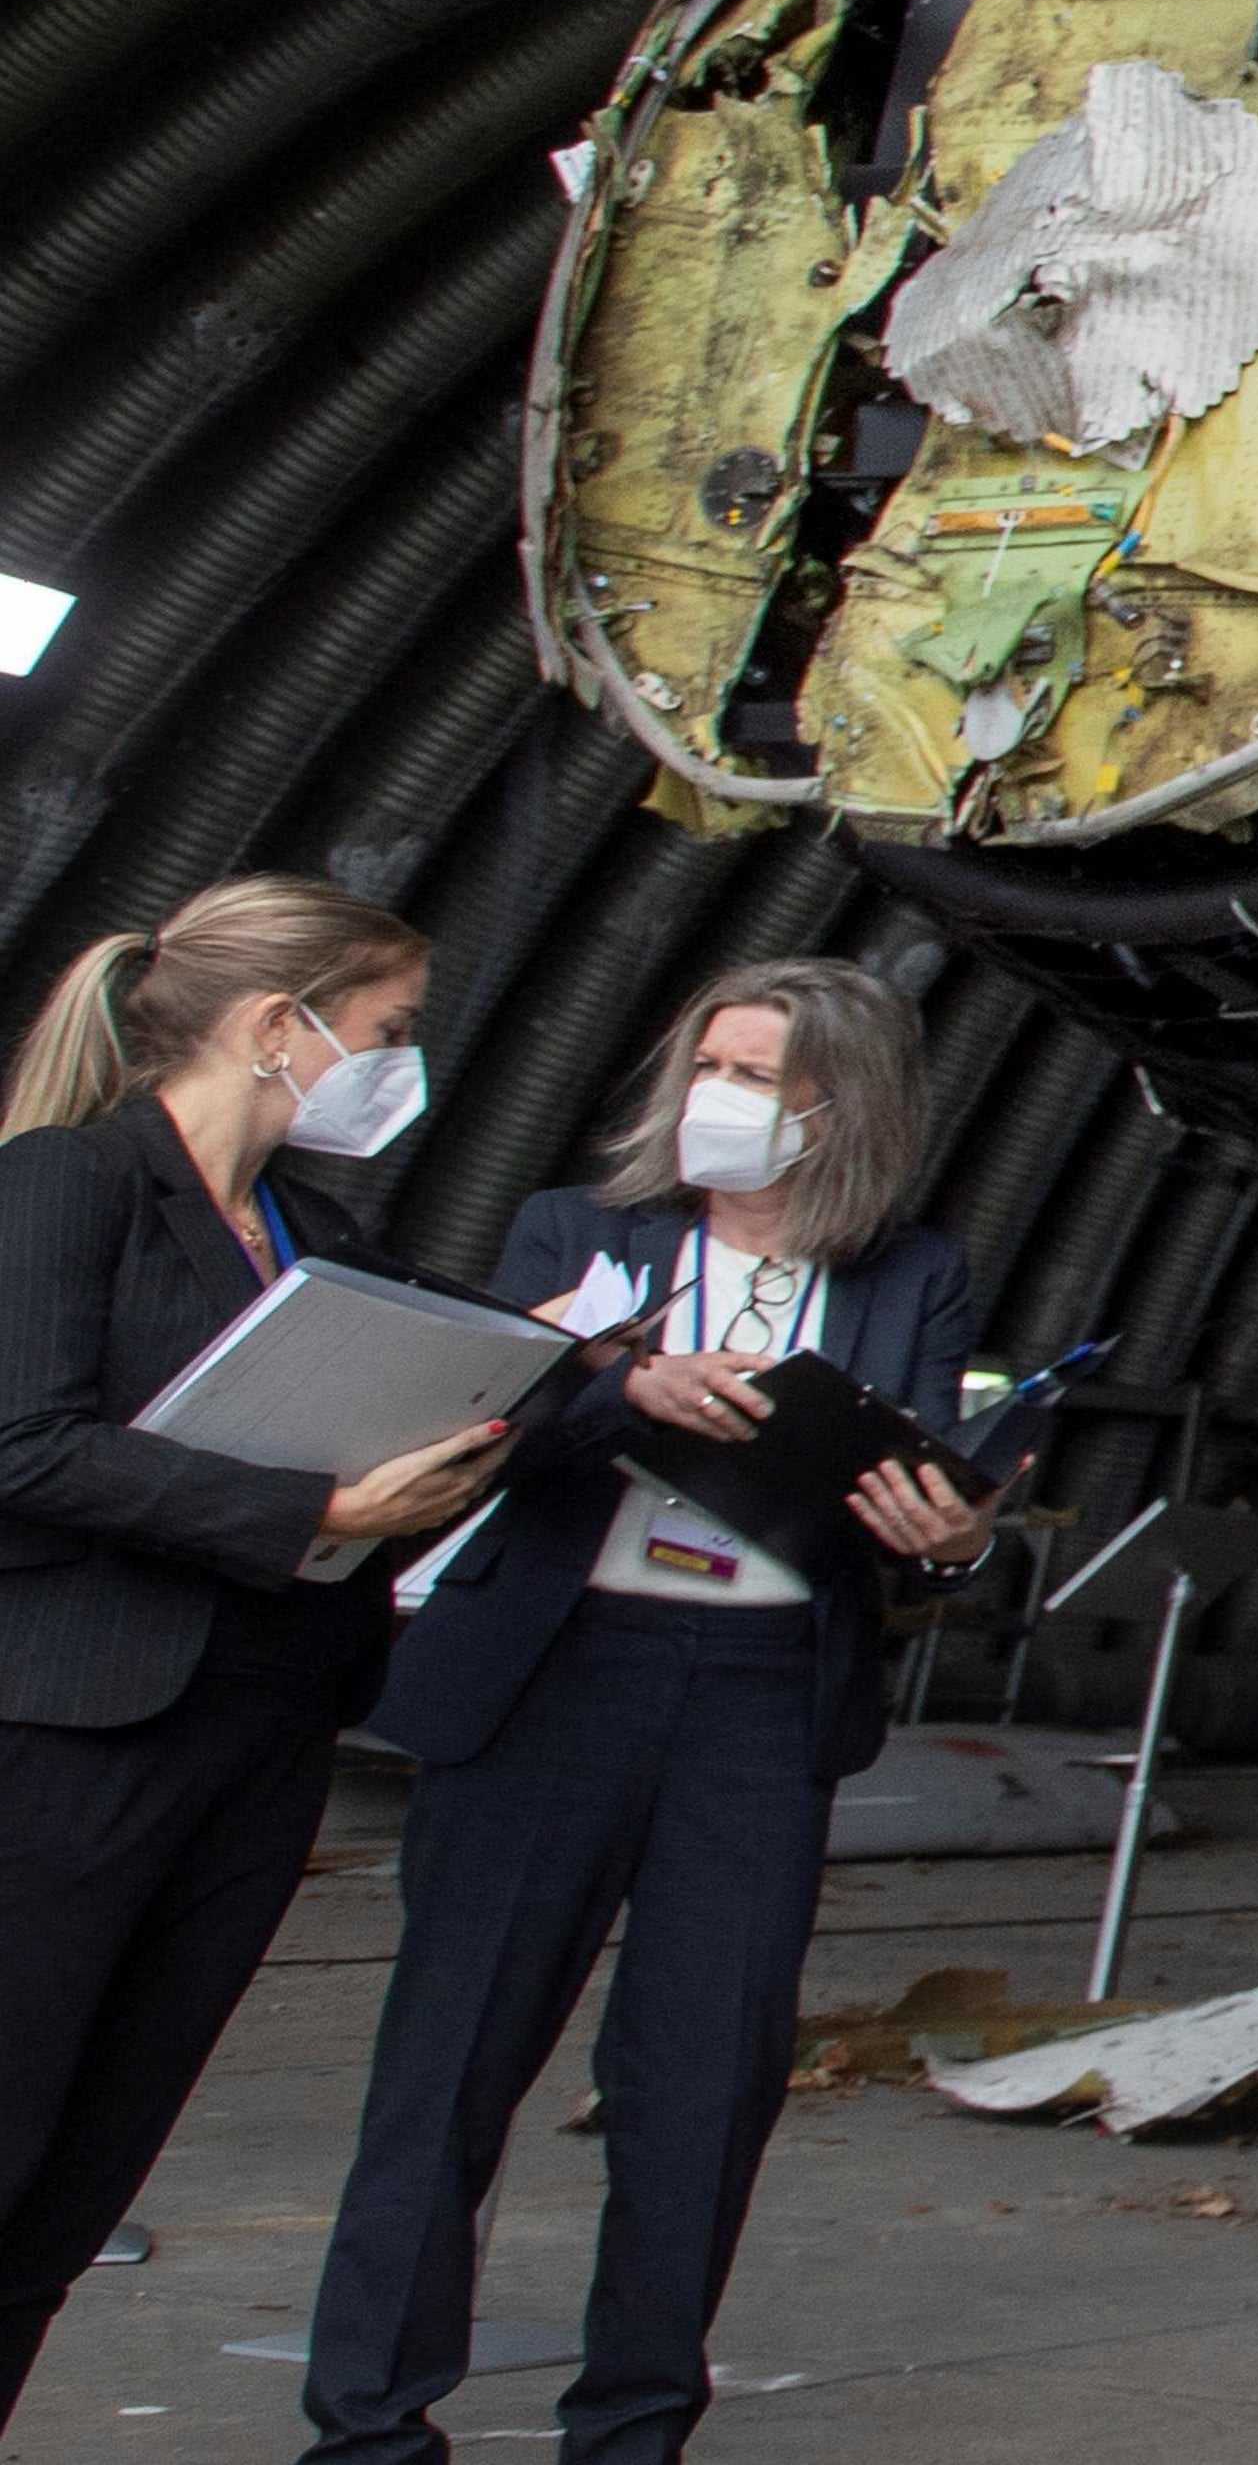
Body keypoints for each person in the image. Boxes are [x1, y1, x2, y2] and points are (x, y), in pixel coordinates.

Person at [301, 956, 1005, 2465]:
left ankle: (632, 2426)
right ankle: (367, 2424)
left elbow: (929, 1463)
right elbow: (486, 1431)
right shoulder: (581, 1231)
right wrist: (625, 1395)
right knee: (452, 2057)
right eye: (710, 1069)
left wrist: (957, 1534)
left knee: (704, 2073)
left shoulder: (911, 1271)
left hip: (759, 1695)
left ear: (842, 1112)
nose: (720, 1102)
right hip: (563, 1671)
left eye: (759, 1079)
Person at [0, 874, 510, 2427]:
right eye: (383, 1029)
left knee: (82, 2170)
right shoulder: (68, 1182)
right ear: (275, 1027)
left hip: (256, 1737)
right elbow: (21, 1444)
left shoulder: (317, 1232)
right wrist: (317, 1505)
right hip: (73, 1738)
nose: (396, 1065)